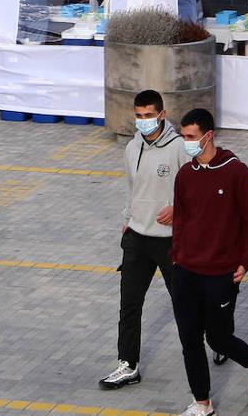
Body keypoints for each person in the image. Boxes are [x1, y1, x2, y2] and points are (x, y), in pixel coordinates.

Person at [170, 108, 248, 416]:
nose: (186, 143)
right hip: (185, 270)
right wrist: (176, 257)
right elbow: (181, 220)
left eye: (191, 137)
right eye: (183, 136)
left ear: (208, 136)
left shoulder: (236, 172)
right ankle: (201, 403)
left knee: (217, 338)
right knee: (189, 338)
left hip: (221, 273)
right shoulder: (185, 175)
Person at [99, 90, 184, 391]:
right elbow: (133, 189)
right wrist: (127, 221)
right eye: (139, 116)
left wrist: (178, 208)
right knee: (129, 304)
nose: (143, 121)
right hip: (137, 237)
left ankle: (217, 341)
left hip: (170, 241)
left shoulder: (179, 148)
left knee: (186, 305)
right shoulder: (132, 148)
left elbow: (197, 188)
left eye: (148, 116)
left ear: (161, 115)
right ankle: (128, 364)